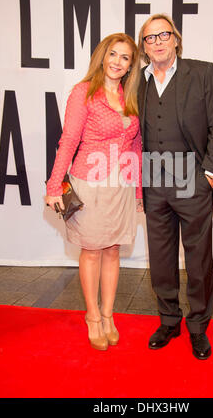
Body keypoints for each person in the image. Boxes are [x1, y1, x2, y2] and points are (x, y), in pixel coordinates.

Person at [137, 14, 213, 359]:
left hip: (192, 177)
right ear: (144, 48)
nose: (158, 41)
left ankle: (198, 326)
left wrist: (208, 172)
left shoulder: (202, 72)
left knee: (197, 259)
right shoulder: (139, 80)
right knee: (160, 258)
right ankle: (169, 320)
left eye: (164, 35)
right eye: (150, 38)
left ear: (176, 39)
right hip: (153, 181)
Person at [45, 33, 143, 351]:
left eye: (125, 57)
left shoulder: (131, 96)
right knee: (91, 251)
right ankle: (92, 317)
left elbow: (138, 146)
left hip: (121, 187)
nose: (118, 62)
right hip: (89, 183)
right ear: (102, 56)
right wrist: (53, 185)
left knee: (112, 250)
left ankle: (108, 314)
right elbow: (69, 140)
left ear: (131, 65)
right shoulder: (83, 92)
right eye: (113, 54)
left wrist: (139, 189)